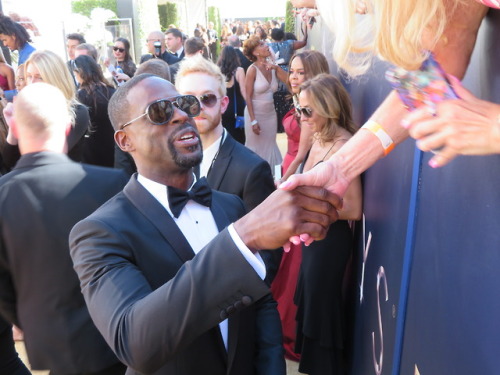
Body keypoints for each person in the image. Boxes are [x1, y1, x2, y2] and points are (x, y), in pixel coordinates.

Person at [69, 73, 341, 375]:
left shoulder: (230, 205)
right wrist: (242, 238)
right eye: (160, 111)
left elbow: (262, 306)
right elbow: (135, 343)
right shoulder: (99, 233)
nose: (182, 115)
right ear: (125, 140)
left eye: (184, 104)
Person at [0, 82, 128, 375]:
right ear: (69, 128)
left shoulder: (2, 196)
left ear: (16, 129)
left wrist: (31, 319)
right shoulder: (111, 184)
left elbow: (2, 287)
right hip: (115, 335)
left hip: (52, 344)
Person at [176, 55, 281, 282]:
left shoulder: (252, 169)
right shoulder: (171, 163)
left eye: (208, 99)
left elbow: (268, 256)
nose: (198, 107)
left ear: (223, 104)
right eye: (188, 101)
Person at [293, 73, 362, 375]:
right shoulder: (319, 137)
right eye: (299, 109)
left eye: (308, 110)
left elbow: (355, 209)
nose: (302, 117)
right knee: (314, 302)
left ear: (328, 107)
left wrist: (315, 208)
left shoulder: (346, 145)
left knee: (323, 308)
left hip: (330, 240)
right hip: (314, 237)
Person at [269, 49, 330, 365]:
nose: (293, 77)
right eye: (291, 71)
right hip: (293, 169)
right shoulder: (301, 101)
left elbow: (305, 152)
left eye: (301, 72)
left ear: (315, 74)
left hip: (299, 174)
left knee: (294, 259)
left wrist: (283, 185)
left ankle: (291, 328)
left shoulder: (310, 106)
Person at [1, 50, 91, 171]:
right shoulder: (25, 110)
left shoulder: (78, 112)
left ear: (55, 79)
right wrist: (13, 128)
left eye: (39, 77)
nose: (32, 82)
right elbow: (9, 162)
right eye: (29, 76)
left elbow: (49, 157)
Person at [243, 36, 282, 174]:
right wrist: (253, 120)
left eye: (264, 43)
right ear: (255, 52)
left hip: (270, 114)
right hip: (255, 115)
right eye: (261, 45)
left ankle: (275, 179)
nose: (266, 45)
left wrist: (274, 61)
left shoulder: (271, 66)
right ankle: (254, 179)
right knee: (255, 149)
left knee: (271, 146)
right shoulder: (252, 69)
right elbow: (247, 95)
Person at [74, 54, 116, 167]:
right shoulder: (111, 90)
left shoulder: (81, 95)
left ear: (79, 72)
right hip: (112, 146)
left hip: (90, 149)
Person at [217, 45, 247, 144]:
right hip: (237, 108)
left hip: (223, 107)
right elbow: (243, 90)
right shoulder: (239, 71)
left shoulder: (217, 71)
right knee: (239, 137)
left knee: (225, 135)